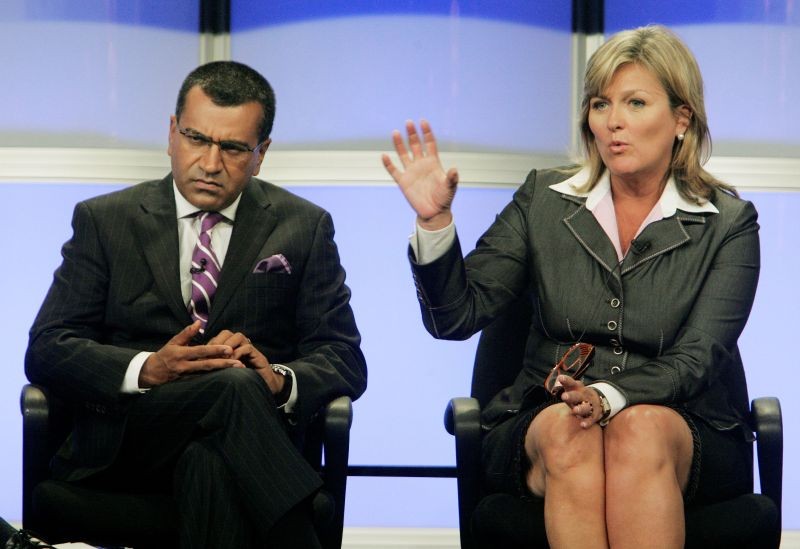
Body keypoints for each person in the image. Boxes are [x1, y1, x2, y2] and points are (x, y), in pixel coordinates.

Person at [383, 25, 759, 548]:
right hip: (545, 419)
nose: (614, 123)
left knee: (639, 429)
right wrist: (435, 224)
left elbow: (699, 357)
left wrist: (611, 396)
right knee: (571, 432)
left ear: (680, 119)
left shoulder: (727, 223)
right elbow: (455, 317)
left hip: (684, 424)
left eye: (635, 102)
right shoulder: (544, 199)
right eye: (601, 104)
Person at [26, 61, 367, 548]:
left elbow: (344, 358)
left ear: (260, 154)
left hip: (240, 449)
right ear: (171, 133)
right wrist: (148, 368)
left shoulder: (303, 227)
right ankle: (298, 516)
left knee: (211, 460)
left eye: (232, 148)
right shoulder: (106, 221)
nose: (210, 163)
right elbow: (48, 348)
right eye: (196, 140)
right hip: (129, 439)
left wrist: (276, 379)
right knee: (231, 384)